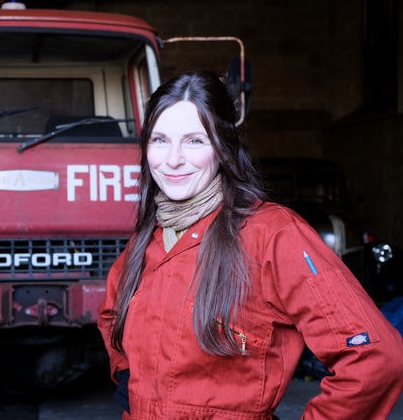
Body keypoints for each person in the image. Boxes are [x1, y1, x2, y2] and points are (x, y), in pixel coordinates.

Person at [97, 70, 403, 419]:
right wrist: (128, 376)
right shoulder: (149, 235)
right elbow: (111, 313)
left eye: (195, 141)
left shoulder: (272, 235)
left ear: (223, 147)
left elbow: (375, 358)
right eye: (159, 140)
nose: (172, 159)